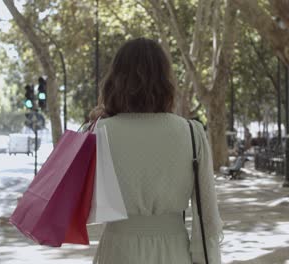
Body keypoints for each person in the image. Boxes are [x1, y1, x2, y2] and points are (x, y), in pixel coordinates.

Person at [88, 38, 223, 264]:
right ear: (165, 80)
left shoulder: (99, 132)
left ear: (115, 79)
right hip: (173, 251)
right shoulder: (191, 133)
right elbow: (207, 216)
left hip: (118, 249)